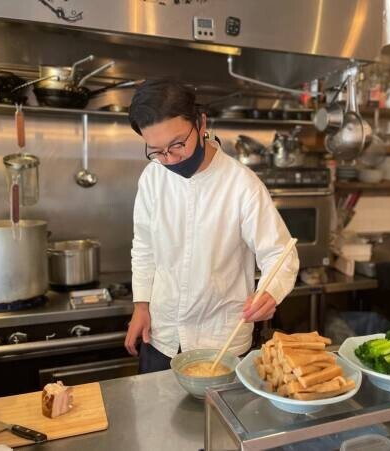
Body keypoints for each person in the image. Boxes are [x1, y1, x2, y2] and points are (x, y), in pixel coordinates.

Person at [124, 79, 299, 374]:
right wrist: (141, 305)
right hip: (161, 335)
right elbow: (144, 246)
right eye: (156, 150)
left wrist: (270, 293)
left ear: (201, 123)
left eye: (178, 144)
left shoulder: (241, 184)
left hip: (221, 341)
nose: (169, 158)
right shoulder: (152, 178)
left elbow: (280, 254)